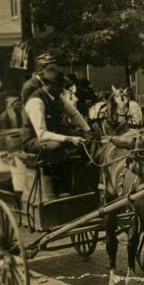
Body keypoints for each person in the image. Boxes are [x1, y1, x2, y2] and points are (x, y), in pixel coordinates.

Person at [20, 64, 93, 195]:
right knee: (56, 147)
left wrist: (88, 131)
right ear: (49, 85)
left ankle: (81, 181)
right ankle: (60, 187)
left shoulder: (58, 97)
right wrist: (69, 138)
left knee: (88, 139)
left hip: (53, 132)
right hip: (33, 139)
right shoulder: (36, 102)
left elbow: (74, 114)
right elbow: (41, 134)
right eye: (60, 85)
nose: (63, 89)